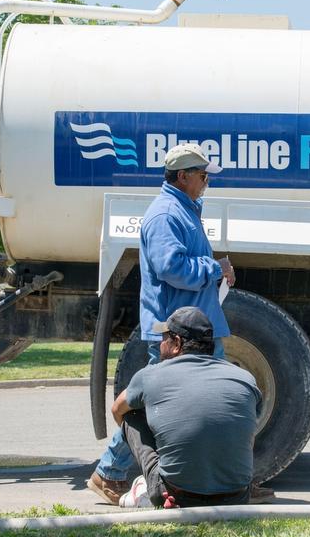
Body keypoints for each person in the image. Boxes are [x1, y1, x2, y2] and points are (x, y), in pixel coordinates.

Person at [87, 142, 239, 504]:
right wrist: (214, 268)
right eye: (202, 176)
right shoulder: (165, 215)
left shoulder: (182, 209)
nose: (206, 183)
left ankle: (224, 479)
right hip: (176, 334)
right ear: (183, 176)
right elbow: (173, 269)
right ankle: (108, 472)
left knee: (199, 400)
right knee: (147, 405)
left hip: (192, 329)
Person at [113, 306, 261, 508]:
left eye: (164, 338)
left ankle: (147, 489)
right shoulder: (245, 379)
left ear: (177, 343)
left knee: (132, 416)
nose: (160, 344)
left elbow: (117, 410)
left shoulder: (149, 376)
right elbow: (248, 437)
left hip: (175, 496)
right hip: (237, 498)